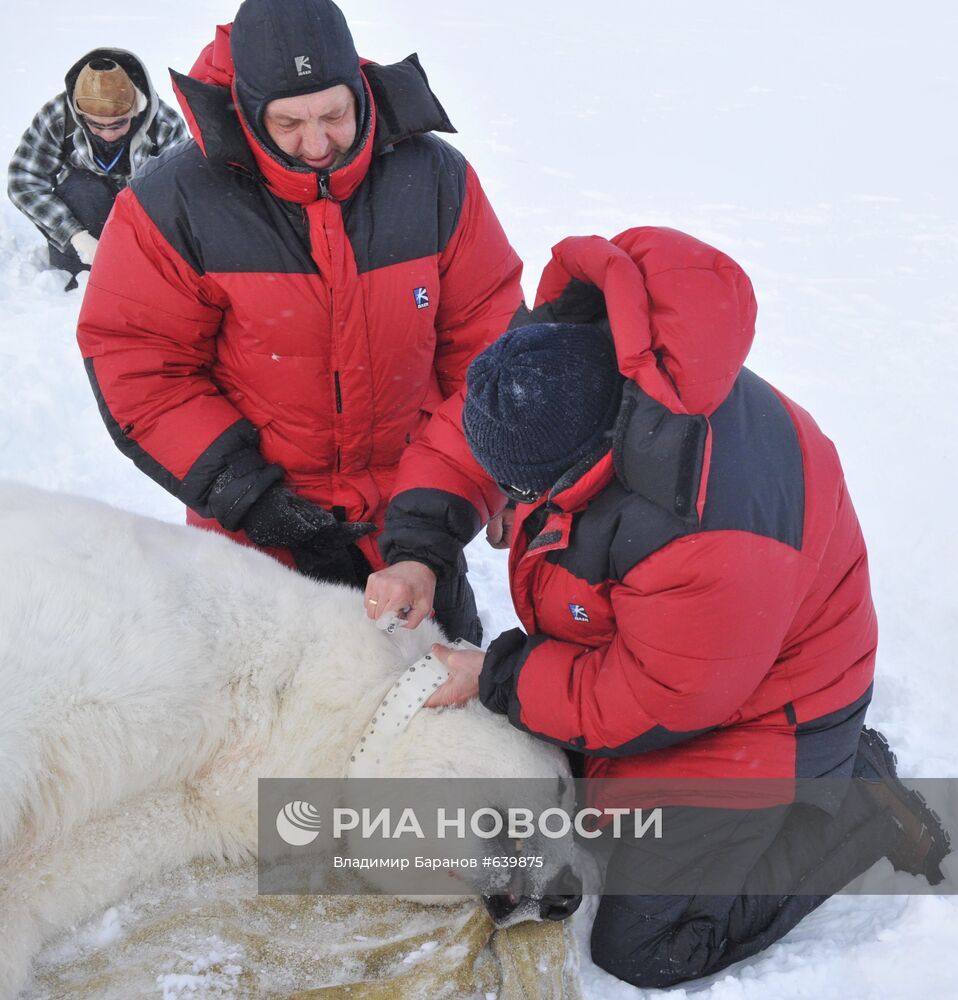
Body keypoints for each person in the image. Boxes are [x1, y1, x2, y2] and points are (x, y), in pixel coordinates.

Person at [364, 226, 951, 987]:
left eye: (521, 495)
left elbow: (660, 698)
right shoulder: (571, 364)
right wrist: (417, 548)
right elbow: (467, 435)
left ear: (585, 464)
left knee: (643, 944)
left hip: (765, 715)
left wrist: (500, 675)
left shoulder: (707, 529)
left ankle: (860, 806)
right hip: (680, 658)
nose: (506, 509)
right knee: (540, 784)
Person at [76, 0, 522, 644]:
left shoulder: (433, 180)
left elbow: (492, 353)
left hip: (411, 524)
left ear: (361, 91)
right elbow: (140, 365)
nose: (316, 145)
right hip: (254, 536)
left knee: (441, 711)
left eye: (334, 115)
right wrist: (250, 499)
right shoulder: (175, 201)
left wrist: (455, 504)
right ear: (247, 111)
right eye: (287, 123)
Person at [8, 49, 188, 291]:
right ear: (80, 114)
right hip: (82, 225)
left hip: (141, 223)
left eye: (119, 123)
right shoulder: (59, 116)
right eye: (95, 124)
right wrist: (76, 237)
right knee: (81, 187)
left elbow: (180, 196)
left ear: (136, 109)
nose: (108, 133)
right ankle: (79, 284)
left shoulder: (165, 125)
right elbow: (23, 180)